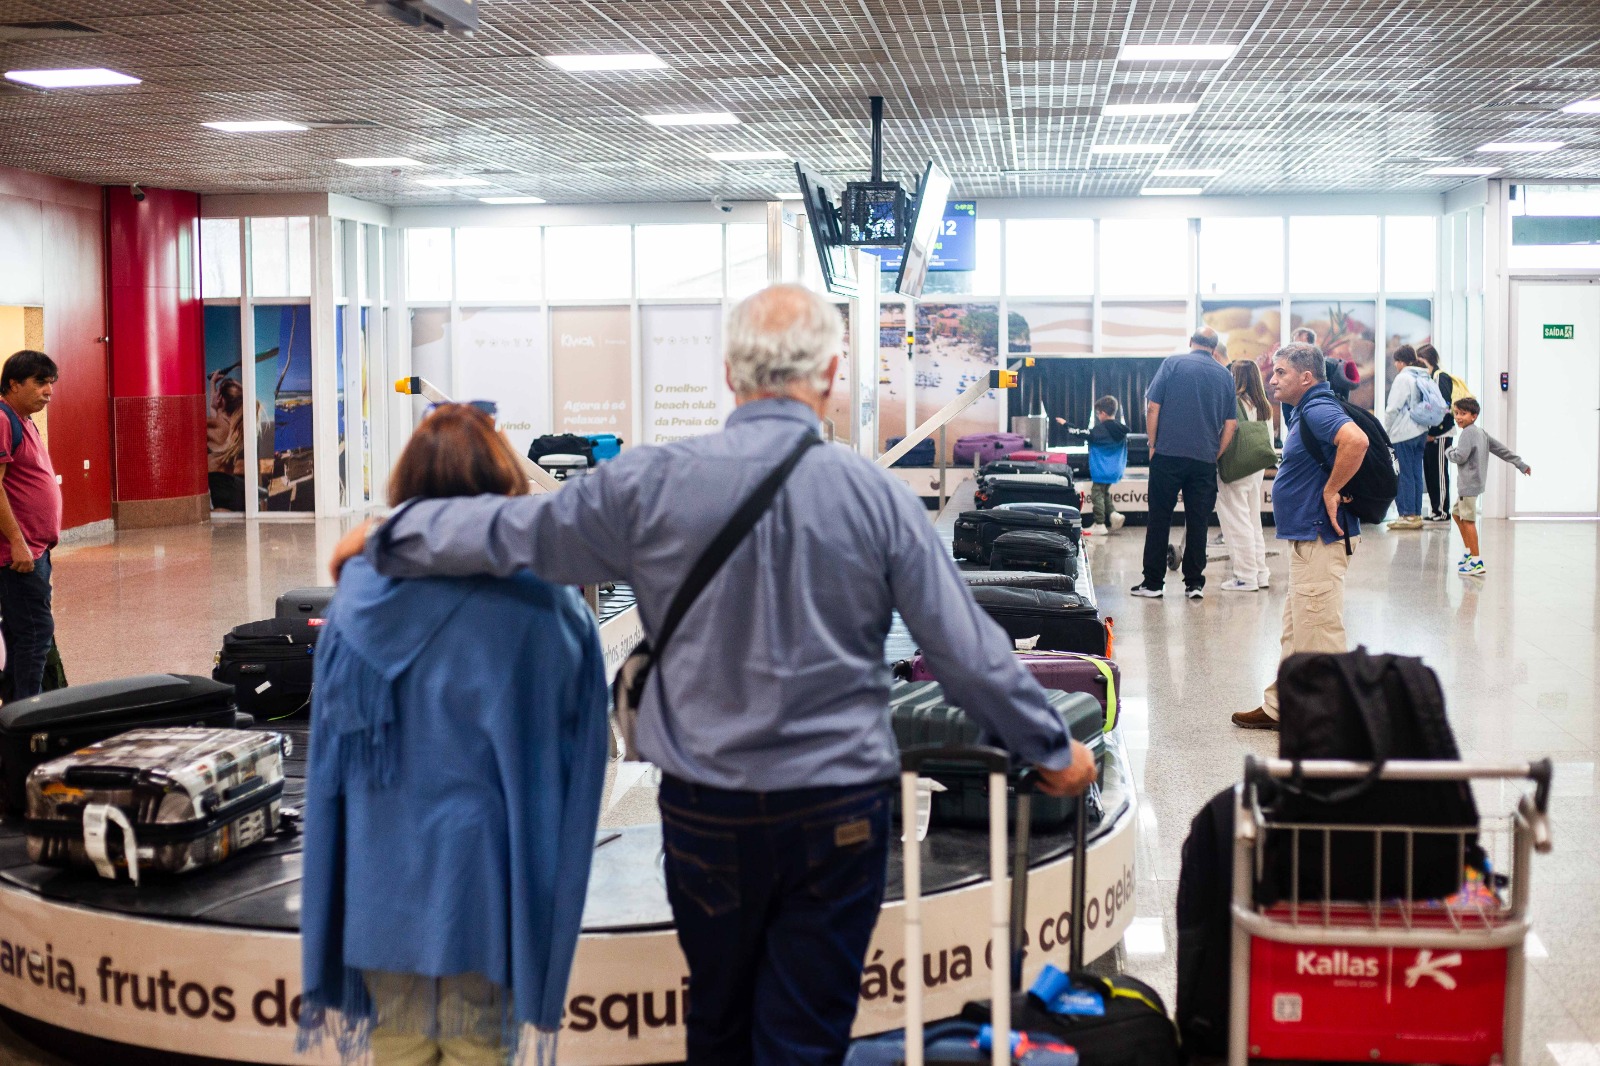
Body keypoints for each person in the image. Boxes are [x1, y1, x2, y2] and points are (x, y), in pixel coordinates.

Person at [327, 284, 1097, 1065]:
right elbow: (967, 652)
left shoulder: (651, 484)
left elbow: (513, 530)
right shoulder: (875, 498)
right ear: (831, 375)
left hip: (707, 817)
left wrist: (391, 532)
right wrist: (1051, 748)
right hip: (837, 816)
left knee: (719, 1028)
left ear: (730, 376)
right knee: (804, 1037)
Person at [299, 404, 610, 1066]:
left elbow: (326, 760)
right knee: (477, 1045)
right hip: (486, 880)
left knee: (398, 1043)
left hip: (378, 876)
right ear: (503, 487)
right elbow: (579, 750)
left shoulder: (355, 599)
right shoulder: (544, 604)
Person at [1232, 343, 1368, 730]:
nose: (1272, 379)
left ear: (1306, 377)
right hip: (1307, 539)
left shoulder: (1319, 408)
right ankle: (1281, 706)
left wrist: (1330, 489)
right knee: (1297, 629)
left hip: (1321, 537)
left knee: (1319, 629)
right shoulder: (1305, 410)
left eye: (1280, 373)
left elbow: (1356, 442)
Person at [1132, 326, 1237, 601]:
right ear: (1214, 349)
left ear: (1191, 342)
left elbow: (1152, 407)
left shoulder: (1173, 363)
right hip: (1203, 459)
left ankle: (1153, 583)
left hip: (1168, 454)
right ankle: (1194, 584)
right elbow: (1231, 424)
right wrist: (1215, 453)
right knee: (1198, 520)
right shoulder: (1224, 375)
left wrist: (1153, 444)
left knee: (1159, 518)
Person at [0, 351, 61, 701]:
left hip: (35, 551)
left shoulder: (23, 420)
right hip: (19, 555)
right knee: (37, 633)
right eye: (40, 382)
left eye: (51, 382)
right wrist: (17, 542)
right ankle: (27, 718)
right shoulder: (3, 419)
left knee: (20, 634)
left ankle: (14, 713)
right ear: (14, 383)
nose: (48, 391)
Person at [1446, 397, 1530, 576]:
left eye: (1463, 414)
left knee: (1468, 521)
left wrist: (1448, 451)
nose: (1458, 417)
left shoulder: (1468, 433)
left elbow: (1459, 456)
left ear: (1474, 416)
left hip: (1468, 485)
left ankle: (1476, 561)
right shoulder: (1480, 432)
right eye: (1456, 413)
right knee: (1456, 514)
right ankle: (1469, 553)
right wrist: (1520, 463)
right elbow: (1500, 449)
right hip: (1473, 484)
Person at [1216, 360, 1272, 592]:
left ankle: (1245, 576)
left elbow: (1226, 431)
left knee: (1236, 523)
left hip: (1235, 467)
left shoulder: (1233, 402)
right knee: (1252, 521)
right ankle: (1260, 573)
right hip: (1255, 468)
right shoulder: (1264, 404)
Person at [1383, 345, 1430, 531]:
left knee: (1404, 473)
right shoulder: (1423, 374)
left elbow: (1393, 408)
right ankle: (1416, 513)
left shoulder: (1403, 378)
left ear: (1401, 362)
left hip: (1404, 433)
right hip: (1421, 431)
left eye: (1396, 361)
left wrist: (1385, 430)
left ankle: (1406, 515)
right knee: (1416, 472)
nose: (1395, 365)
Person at [1417, 343, 1455, 523]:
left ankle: (1442, 511)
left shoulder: (1440, 377)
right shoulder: (1430, 378)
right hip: (1431, 435)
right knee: (1430, 471)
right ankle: (1435, 510)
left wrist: (1434, 431)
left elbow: (1443, 407)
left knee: (1439, 472)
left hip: (1441, 435)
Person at [1086, 395, 1129, 534]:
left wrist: (1065, 425)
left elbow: (1084, 434)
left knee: (1096, 493)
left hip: (1101, 469)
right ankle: (1113, 515)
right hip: (1115, 469)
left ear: (1103, 413)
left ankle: (1099, 524)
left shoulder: (1101, 429)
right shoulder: (1121, 429)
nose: (1098, 416)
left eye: (1098, 413)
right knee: (1104, 493)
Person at [207, 369, 247, 511]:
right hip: (230, 494)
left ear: (220, 400)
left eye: (217, 393)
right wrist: (213, 384)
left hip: (221, 499)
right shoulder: (234, 427)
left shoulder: (214, 426)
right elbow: (216, 413)